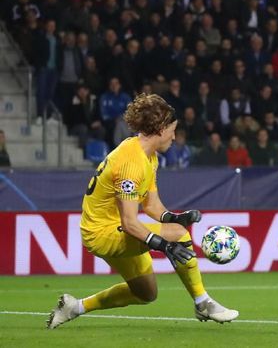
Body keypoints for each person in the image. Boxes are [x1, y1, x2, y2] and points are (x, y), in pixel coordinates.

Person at [46, 94, 237, 329]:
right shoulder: (131, 162)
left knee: (146, 293)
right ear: (159, 129)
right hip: (102, 233)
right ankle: (203, 303)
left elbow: (152, 206)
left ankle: (74, 307)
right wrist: (163, 244)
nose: (174, 136)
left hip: (115, 228)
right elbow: (129, 222)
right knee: (177, 234)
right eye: (172, 130)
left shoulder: (148, 156)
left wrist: (176, 218)